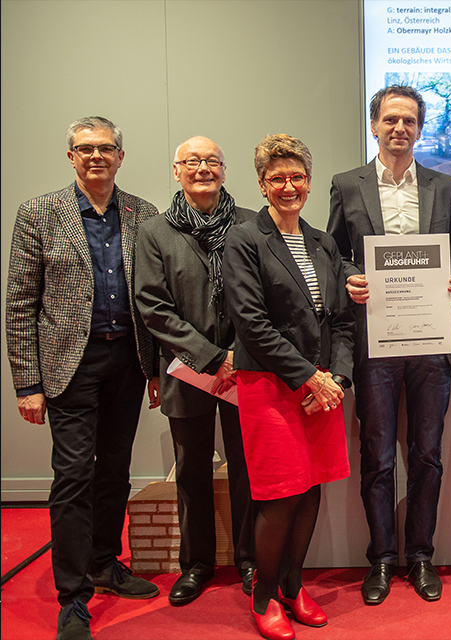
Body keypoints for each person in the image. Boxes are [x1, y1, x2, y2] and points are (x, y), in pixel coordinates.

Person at [5, 116, 161, 640]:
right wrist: (27, 384)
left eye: (106, 148)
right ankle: (73, 597)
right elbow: (20, 304)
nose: (97, 156)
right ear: (71, 156)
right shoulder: (39, 213)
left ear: (121, 156)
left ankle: (103, 562)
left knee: (115, 470)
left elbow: (154, 300)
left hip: (128, 363)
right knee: (73, 476)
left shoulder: (143, 214)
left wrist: (155, 368)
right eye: (86, 148)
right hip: (70, 365)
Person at [327, 85, 451, 604]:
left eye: (409, 120)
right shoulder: (348, 184)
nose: (399, 128)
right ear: (374, 126)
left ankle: (421, 556)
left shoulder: (443, 186)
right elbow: (334, 253)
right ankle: (383, 559)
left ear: (419, 128)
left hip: (431, 342)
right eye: (390, 119)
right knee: (379, 456)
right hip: (375, 342)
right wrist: (349, 277)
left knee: (427, 455)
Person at [224, 134, 354, 640]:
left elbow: (341, 321)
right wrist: (309, 377)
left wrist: (336, 377)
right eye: (276, 178)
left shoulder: (324, 242)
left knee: (310, 489)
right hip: (271, 384)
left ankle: (293, 586)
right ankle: (263, 596)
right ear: (261, 184)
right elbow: (251, 323)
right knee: (280, 495)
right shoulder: (244, 239)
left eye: (296, 176)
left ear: (309, 181)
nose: (288, 186)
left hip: (321, 387)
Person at [135, 136, 257, 605]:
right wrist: (210, 356)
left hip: (245, 368)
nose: (202, 168)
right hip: (186, 369)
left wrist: (238, 355)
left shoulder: (250, 224)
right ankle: (197, 564)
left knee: (247, 468)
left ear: (224, 170)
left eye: (211, 161)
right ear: (176, 170)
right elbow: (153, 305)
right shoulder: (155, 232)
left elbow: (266, 296)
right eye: (192, 161)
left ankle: (249, 559)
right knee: (191, 470)